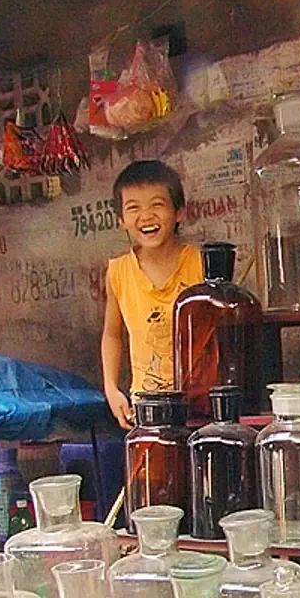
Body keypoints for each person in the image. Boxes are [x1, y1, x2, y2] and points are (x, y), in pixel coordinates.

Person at [100, 160, 203, 429]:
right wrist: (111, 389)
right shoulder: (118, 272)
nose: (146, 216)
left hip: (199, 403)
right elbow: (112, 334)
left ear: (179, 212)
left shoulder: (199, 264)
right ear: (121, 220)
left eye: (157, 204)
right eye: (134, 208)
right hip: (146, 407)